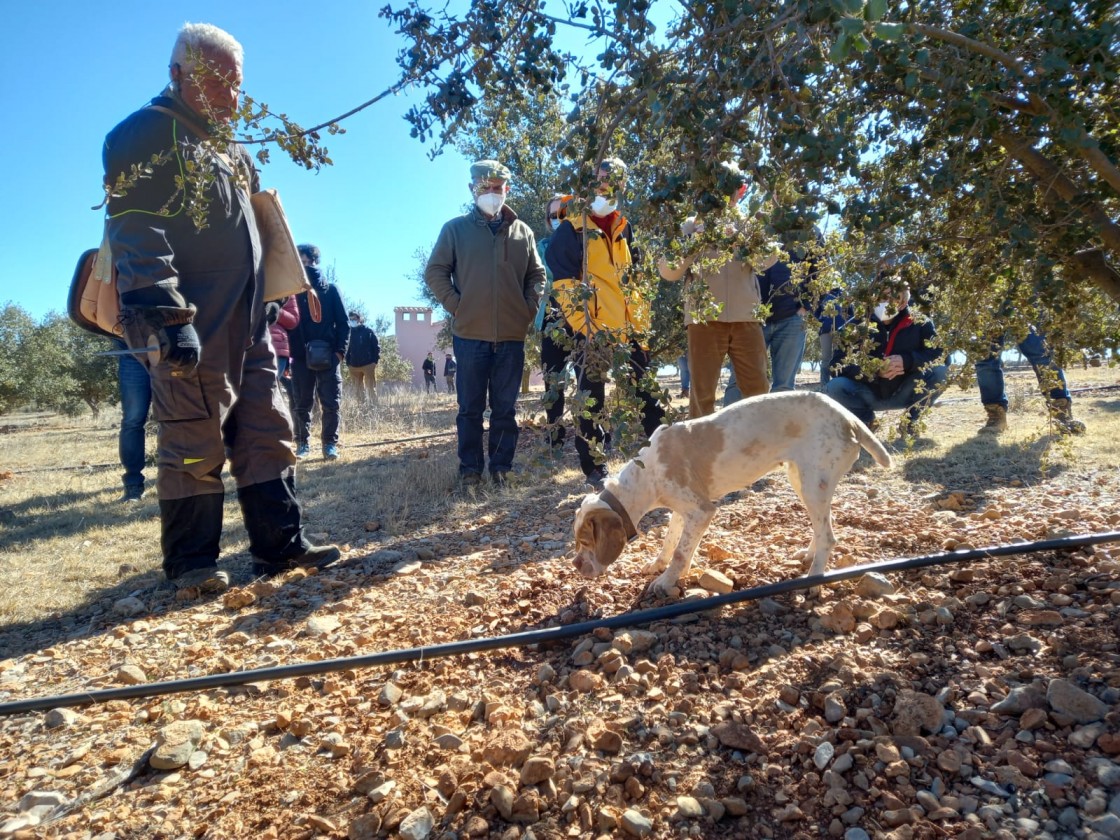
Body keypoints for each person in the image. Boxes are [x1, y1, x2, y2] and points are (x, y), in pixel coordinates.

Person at [103, 22, 339, 592]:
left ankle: (280, 548)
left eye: (238, 84)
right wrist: (166, 314)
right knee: (192, 436)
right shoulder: (142, 135)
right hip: (186, 321)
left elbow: (253, 229)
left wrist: (265, 299)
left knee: (267, 428)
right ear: (178, 74)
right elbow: (137, 232)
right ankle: (192, 566)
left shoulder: (232, 149)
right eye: (220, 83)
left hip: (248, 321)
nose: (233, 97)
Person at [546, 157, 665, 489]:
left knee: (649, 394)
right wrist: (590, 328)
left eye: (613, 181)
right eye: (599, 180)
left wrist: (639, 328)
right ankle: (595, 469)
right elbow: (566, 287)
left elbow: (637, 283)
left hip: (629, 330)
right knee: (591, 398)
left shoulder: (626, 228)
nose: (605, 187)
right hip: (592, 331)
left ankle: (666, 457)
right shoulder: (572, 230)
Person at [425, 159, 544, 486]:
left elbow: (537, 275)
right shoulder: (455, 229)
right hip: (469, 335)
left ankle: (502, 468)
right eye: (485, 188)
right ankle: (470, 471)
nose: (491, 194)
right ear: (472, 189)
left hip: (511, 336)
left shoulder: (524, 232)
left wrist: (528, 310)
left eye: (497, 188)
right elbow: (435, 271)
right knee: (470, 410)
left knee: (505, 409)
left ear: (507, 189)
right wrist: (457, 305)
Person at [658, 186, 778, 418]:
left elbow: (767, 260)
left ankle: (763, 450)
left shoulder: (748, 223)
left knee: (758, 391)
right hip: (703, 319)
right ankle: (702, 451)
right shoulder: (690, 224)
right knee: (702, 395)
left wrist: (740, 241)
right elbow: (668, 272)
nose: (724, 192)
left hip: (747, 317)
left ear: (740, 191)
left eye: (732, 187)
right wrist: (694, 242)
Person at [824, 281, 949, 437]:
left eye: (893, 297)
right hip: (868, 392)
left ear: (903, 302)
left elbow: (941, 355)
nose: (885, 302)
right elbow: (836, 365)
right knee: (835, 386)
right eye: (882, 296)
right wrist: (873, 370)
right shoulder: (855, 325)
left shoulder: (920, 323)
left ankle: (911, 422)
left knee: (940, 372)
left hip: (905, 389)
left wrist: (908, 361)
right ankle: (866, 422)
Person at [288, 243, 350, 460]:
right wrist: (291, 355)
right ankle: (302, 445)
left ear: (315, 262)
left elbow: (343, 323)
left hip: (329, 356)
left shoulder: (331, 290)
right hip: (300, 357)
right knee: (301, 404)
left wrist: (339, 354)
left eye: (307, 262)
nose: (305, 266)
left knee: (331, 403)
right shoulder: (291, 292)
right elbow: (288, 324)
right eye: (300, 262)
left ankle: (329, 445)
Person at [975, 326, 1086, 435]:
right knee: (985, 357)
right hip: (987, 309)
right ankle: (996, 416)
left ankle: (1061, 410)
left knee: (1041, 351)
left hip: (1023, 310)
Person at [536, 193, 573, 450]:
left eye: (564, 213)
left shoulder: (588, 244)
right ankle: (556, 439)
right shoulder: (541, 248)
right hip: (551, 318)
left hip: (583, 317)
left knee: (589, 379)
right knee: (553, 382)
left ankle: (591, 439)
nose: (558, 218)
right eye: (553, 215)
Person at [115, 340, 152, 503]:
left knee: (176, 417)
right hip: (132, 352)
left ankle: (180, 479)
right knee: (133, 420)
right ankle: (133, 485)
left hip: (172, 349)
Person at [816, 286, 852, 387]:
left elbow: (852, 313)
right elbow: (817, 312)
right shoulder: (823, 296)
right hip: (825, 331)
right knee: (826, 358)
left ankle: (837, 384)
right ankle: (824, 385)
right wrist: (822, 322)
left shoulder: (845, 295)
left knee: (840, 357)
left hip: (841, 331)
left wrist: (846, 326)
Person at [268, 296, 300, 408]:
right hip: (244, 344)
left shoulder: (284, 286)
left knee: (268, 393)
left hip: (277, 349)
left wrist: (276, 310)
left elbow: (293, 320)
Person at [344, 311, 380, 404]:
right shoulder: (348, 332)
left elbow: (376, 347)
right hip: (353, 366)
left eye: (354, 319)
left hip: (368, 365)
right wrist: (348, 362)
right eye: (350, 319)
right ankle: (361, 410)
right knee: (357, 390)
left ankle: (374, 408)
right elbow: (347, 348)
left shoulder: (368, 331)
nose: (352, 321)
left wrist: (374, 362)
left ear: (359, 319)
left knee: (371, 388)